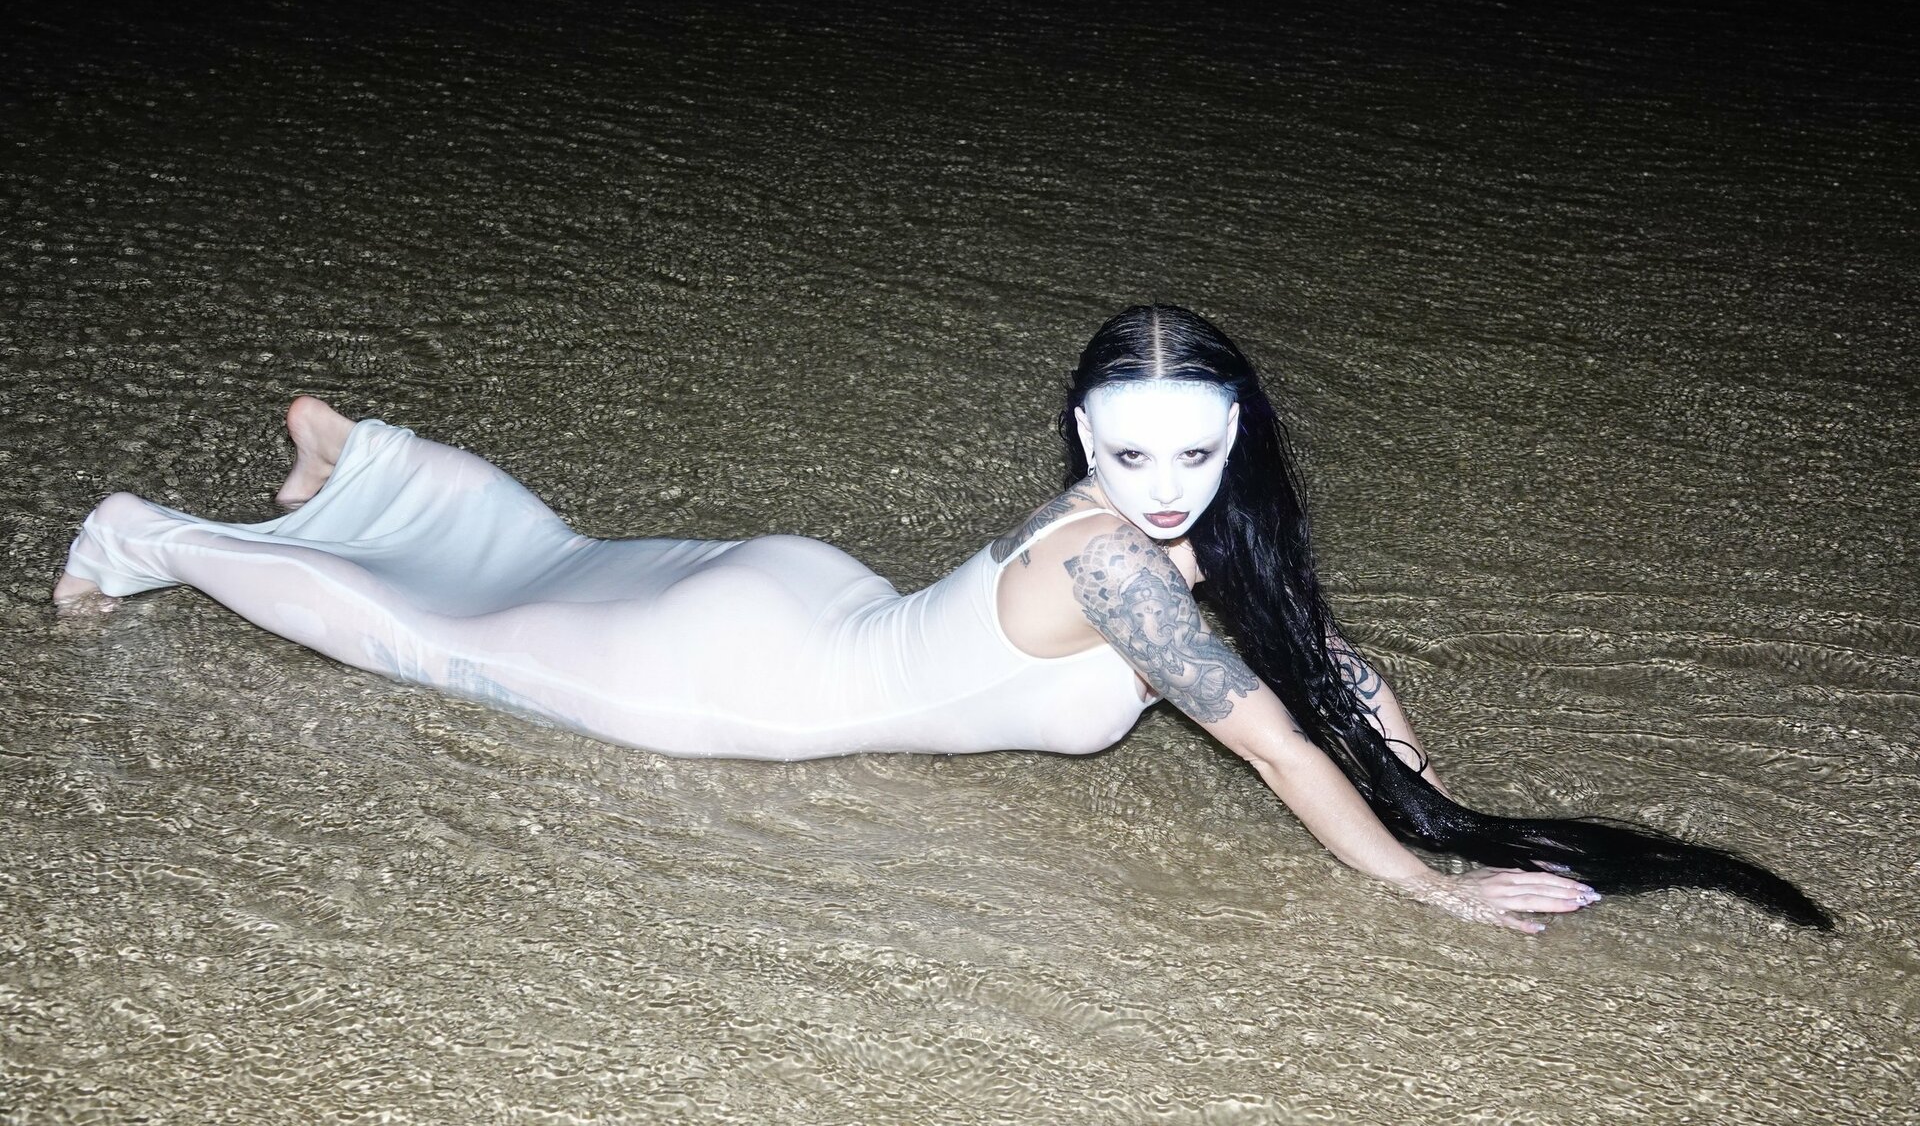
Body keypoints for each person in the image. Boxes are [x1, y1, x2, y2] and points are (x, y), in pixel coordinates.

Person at [53, 304, 1831, 934]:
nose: (1164, 486)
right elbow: (1281, 748)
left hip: (809, 598)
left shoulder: (1137, 536)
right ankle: (150, 539)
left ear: (1236, 438)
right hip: (745, 677)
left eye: (1197, 453)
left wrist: (1379, 714)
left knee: (549, 559)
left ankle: (354, 461)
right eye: (1128, 451)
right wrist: (1426, 886)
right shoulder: (1122, 565)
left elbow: (1308, 668)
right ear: (1080, 436)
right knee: (433, 640)